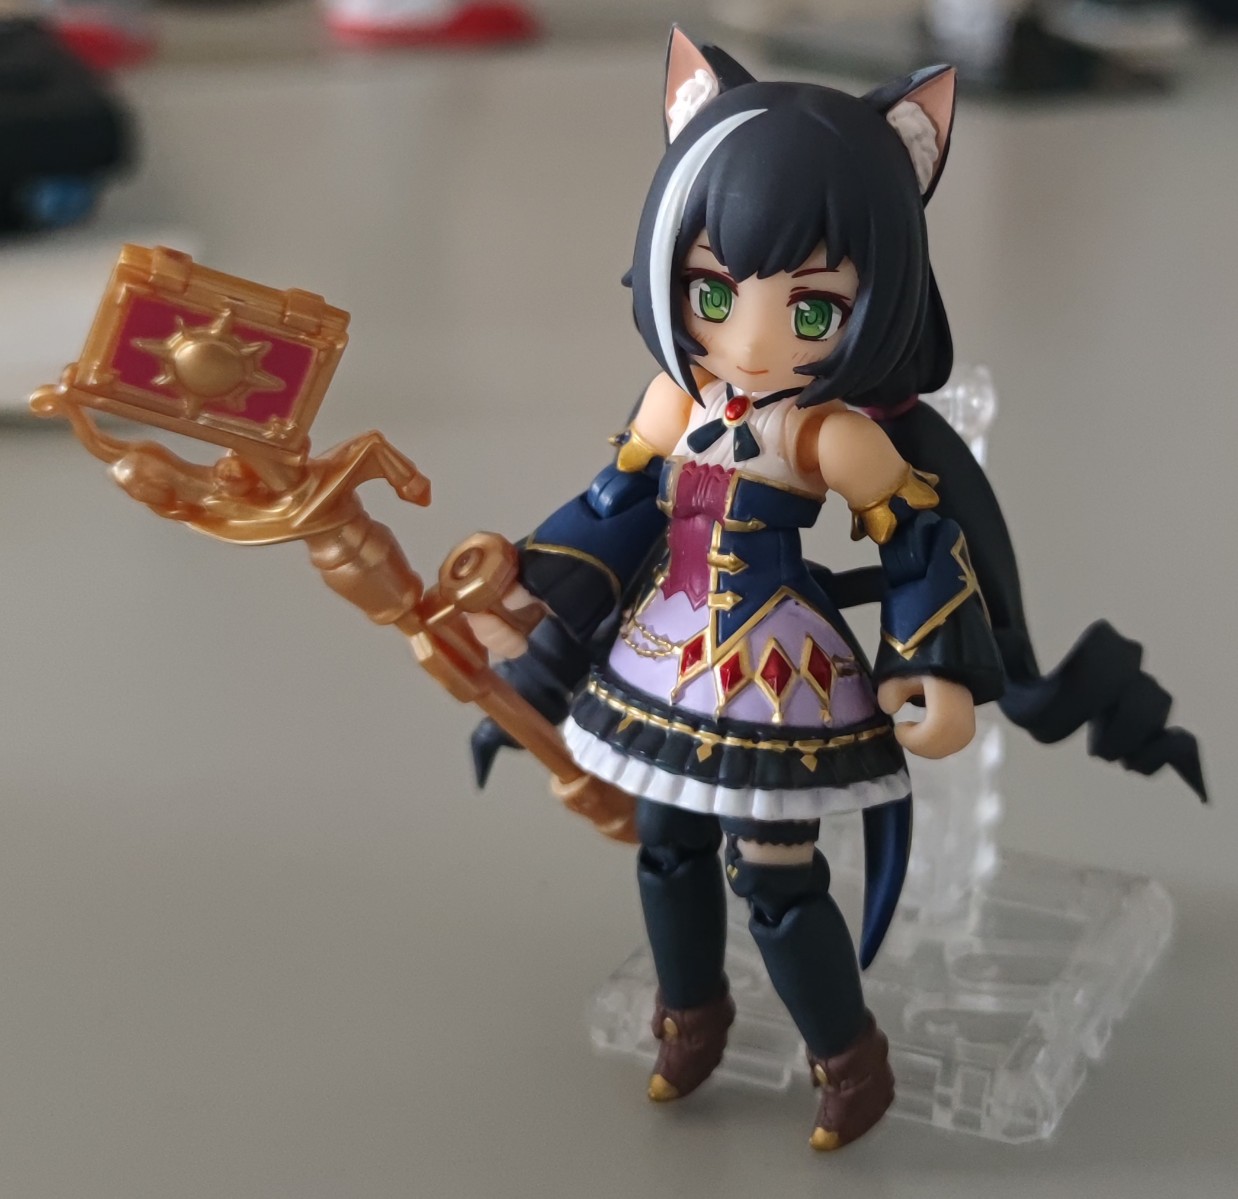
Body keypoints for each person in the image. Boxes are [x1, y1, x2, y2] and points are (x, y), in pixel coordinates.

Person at [467, 28, 1205, 1151]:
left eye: (810, 310)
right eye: (712, 292)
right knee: (664, 844)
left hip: (777, 670)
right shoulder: (671, 403)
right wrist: (525, 582)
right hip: (665, 651)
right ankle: (692, 1014)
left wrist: (934, 668)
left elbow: (920, 544)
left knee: (774, 876)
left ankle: (849, 1059)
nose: (752, 339)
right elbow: (612, 509)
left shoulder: (830, 436)